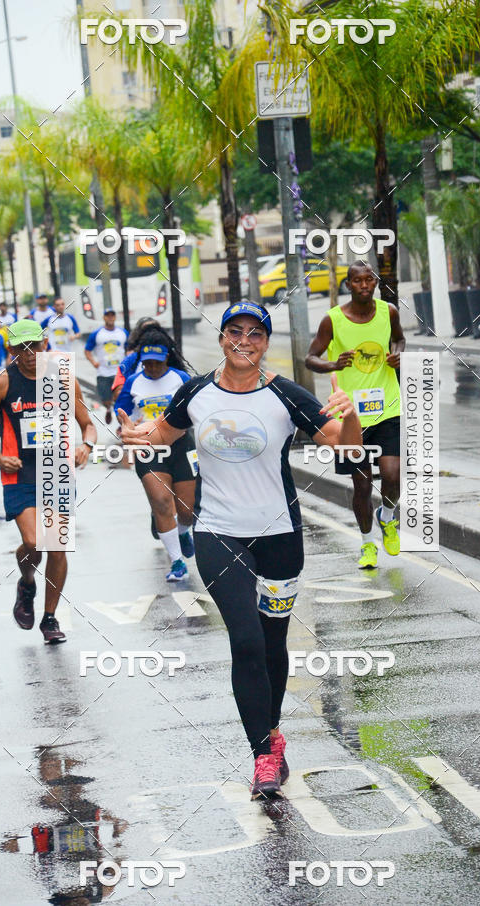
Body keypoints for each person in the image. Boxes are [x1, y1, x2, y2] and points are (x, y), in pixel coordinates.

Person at [119, 300, 362, 800]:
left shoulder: (285, 396)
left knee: (274, 642)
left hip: (279, 538)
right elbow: (162, 432)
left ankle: (271, 733)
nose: (244, 340)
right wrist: (135, 437)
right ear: (222, 337)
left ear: (265, 342)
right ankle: (262, 756)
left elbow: (347, 449)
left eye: (255, 333)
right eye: (235, 331)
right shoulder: (197, 391)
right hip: (218, 533)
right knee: (247, 640)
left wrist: (353, 414)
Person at [0, 319, 97, 643]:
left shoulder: (63, 377)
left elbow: (88, 424)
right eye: (21, 349)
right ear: (11, 350)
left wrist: (87, 446)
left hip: (57, 469)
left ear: (45, 345)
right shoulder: (2, 382)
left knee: (56, 545)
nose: (29, 354)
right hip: (19, 472)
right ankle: (27, 581)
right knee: (34, 541)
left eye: (35, 347)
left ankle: (49, 618)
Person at [305, 260, 405, 569]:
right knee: (361, 486)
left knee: (392, 475)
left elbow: (399, 338)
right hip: (351, 417)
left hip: (388, 407)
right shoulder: (333, 320)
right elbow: (310, 358)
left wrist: (398, 353)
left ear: (375, 283)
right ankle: (367, 545)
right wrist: (333, 365)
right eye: (357, 281)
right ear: (348, 285)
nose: (364, 285)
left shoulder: (389, 312)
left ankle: (387, 516)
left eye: (369, 280)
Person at [115, 333, 196, 580]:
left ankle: (182, 531)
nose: (152, 367)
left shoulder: (180, 379)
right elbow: (122, 415)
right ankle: (177, 562)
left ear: (166, 359)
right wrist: (126, 427)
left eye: (157, 362)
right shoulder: (133, 382)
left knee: (187, 511)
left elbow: (197, 409)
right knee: (161, 501)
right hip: (147, 449)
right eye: (147, 362)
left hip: (181, 445)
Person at [84, 309, 128, 425]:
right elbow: (87, 350)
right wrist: (94, 362)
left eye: (112, 315)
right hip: (103, 372)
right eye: (107, 315)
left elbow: (129, 349)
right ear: (104, 317)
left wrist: (128, 362)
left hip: (119, 372)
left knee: (119, 397)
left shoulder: (123, 333)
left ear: (115, 317)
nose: (110, 317)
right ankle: (108, 408)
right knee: (106, 400)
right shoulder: (97, 334)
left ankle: (122, 424)